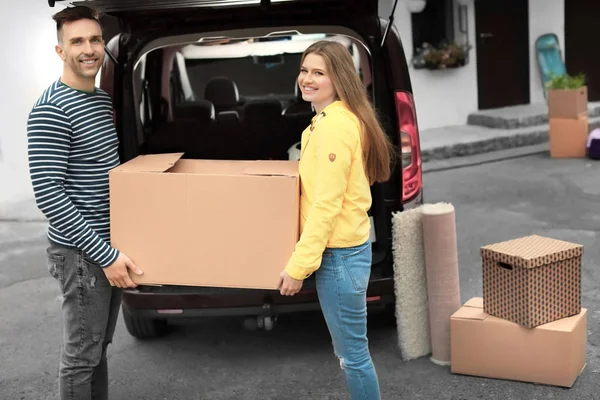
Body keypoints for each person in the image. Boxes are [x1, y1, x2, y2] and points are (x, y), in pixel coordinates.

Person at [27, 6, 143, 399]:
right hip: (81, 252)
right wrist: (104, 254)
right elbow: (49, 193)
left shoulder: (97, 99)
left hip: (103, 246)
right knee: (80, 357)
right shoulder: (51, 109)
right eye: (77, 41)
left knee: (96, 351)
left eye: (95, 39)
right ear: (60, 51)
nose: (89, 48)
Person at [277, 40, 393, 400]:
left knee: (353, 357)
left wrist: (298, 267)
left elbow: (327, 205)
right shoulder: (326, 120)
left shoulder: (334, 127)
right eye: (304, 70)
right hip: (342, 253)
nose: (307, 80)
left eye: (318, 73)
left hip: (339, 257)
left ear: (338, 78)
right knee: (350, 354)